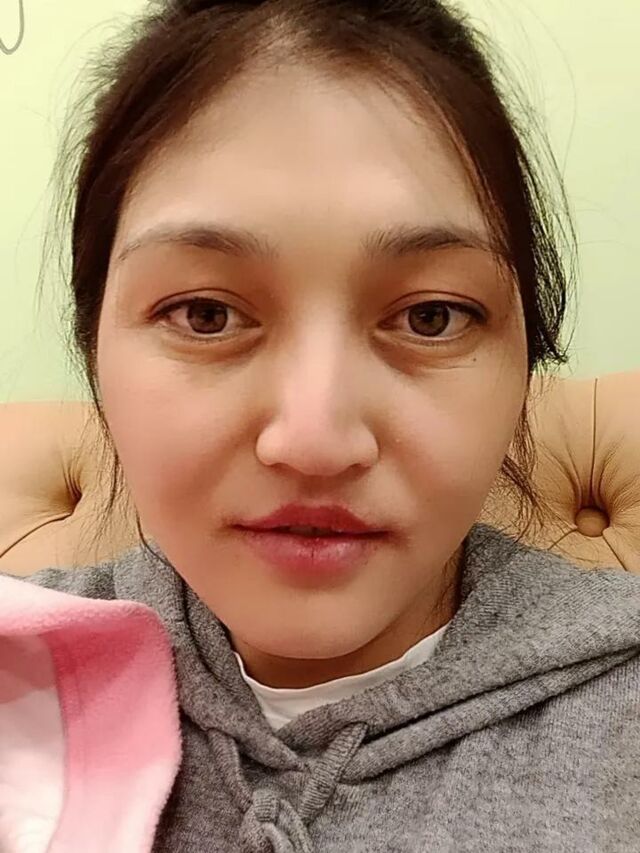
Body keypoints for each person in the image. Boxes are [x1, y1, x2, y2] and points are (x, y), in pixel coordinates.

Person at [5, 0, 640, 850]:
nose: (314, 441)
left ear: (526, 365)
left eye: (431, 317)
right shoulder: (21, 674)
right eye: (204, 313)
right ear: (95, 350)